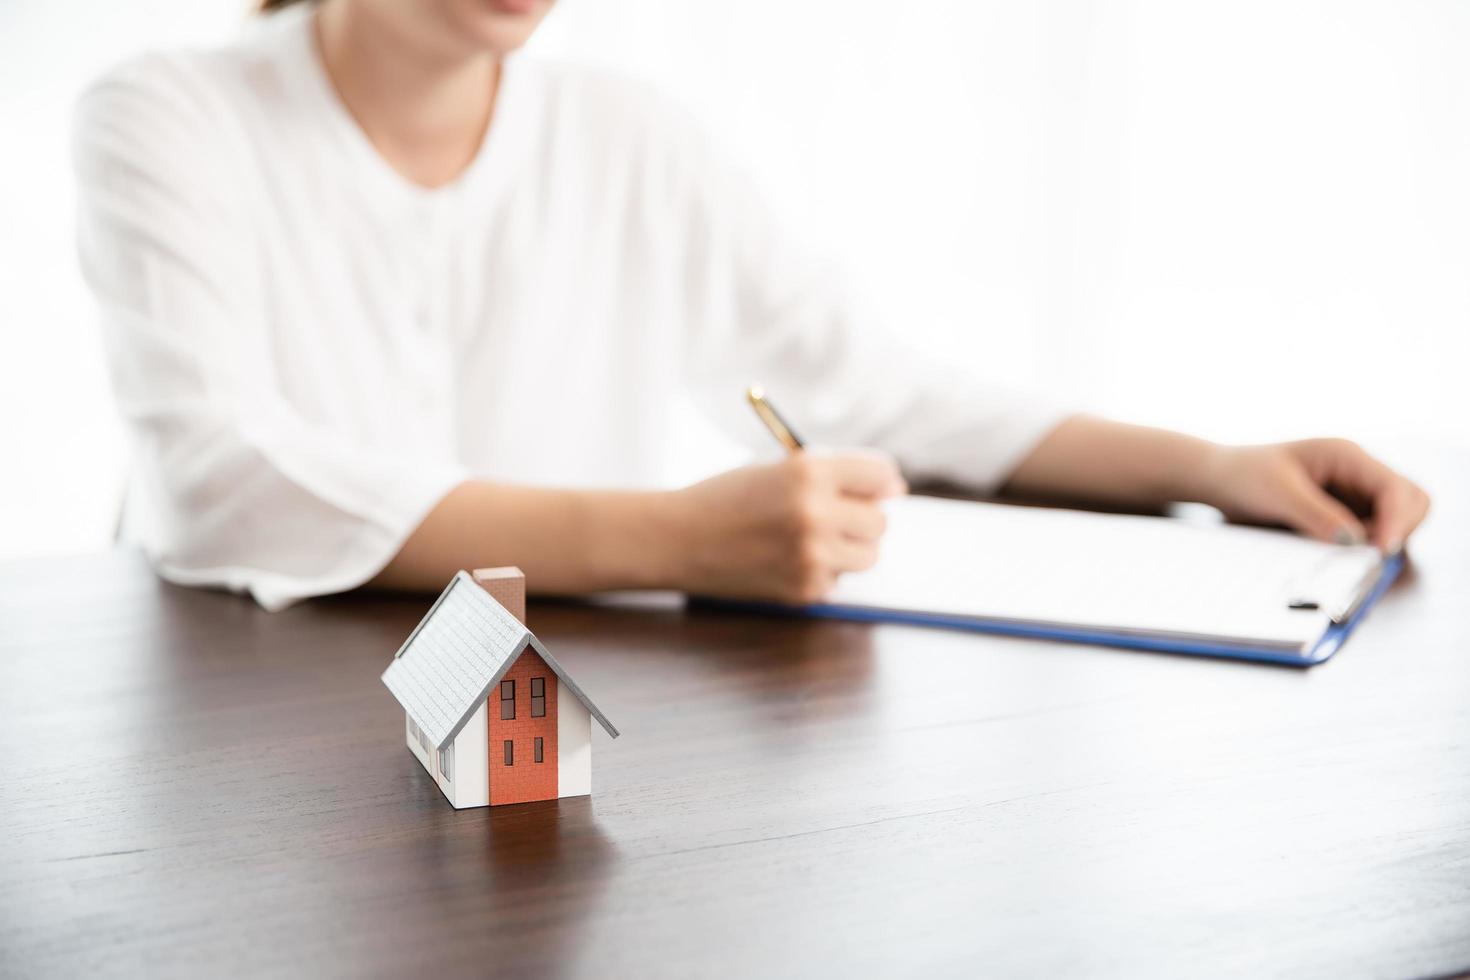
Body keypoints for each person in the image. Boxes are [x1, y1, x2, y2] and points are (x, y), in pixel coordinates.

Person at [74, 0, 1429, 612]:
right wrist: (672, 539)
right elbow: (216, 483)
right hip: (237, 761)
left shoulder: (627, 134)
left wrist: (1207, 467)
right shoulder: (166, 115)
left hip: (557, 766)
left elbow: (877, 390)